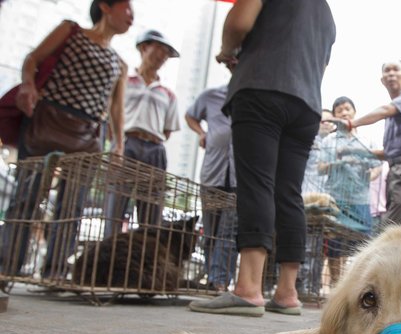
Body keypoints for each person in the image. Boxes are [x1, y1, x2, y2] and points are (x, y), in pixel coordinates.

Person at [188, 0, 336, 317]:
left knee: (256, 183)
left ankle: (248, 289)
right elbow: (318, 65)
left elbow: (238, 23)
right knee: (289, 192)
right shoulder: (326, 13)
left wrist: (228, 52)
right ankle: (286, 292)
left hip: (261, 88)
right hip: (307, 105)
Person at [0, 0, 132, 278]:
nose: (131, 16)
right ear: (106, 7)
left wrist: (118, 145)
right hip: (48, 119)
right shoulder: (70, 31)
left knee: (72, 205)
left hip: (87, 135)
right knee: (27, 196)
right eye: (127, 7)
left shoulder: (120, 64)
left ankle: (56, 272)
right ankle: (7, 266)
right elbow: (33, 59)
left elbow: (117, 109)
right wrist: (27, 85)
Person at [335, 60, 401, 227]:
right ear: (382, 80)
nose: (391, 73)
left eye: (396, 70)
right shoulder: (389, 120)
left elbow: (385, 110)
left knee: (395, 227)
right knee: (394, 227)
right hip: (395, 171)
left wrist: (352, 123)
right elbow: (387, 153)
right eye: (387, 70)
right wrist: (352, 151)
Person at [104, 29, 180, 235]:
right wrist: (117, 144)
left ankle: (144, 257)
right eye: (159, 50)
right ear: (144, 48)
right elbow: (111, 114)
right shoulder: (124, 82)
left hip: (155, 148)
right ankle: (109, 257)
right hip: (127, 143)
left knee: (152, 212)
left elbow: (167, 130)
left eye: (166, 53)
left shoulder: (168, 93)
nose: (162, 56)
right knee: (115, 205)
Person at [318, 96, 380, 285]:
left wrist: (367, 176)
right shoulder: (329, 141)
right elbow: (320, 168)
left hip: (360, 200)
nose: (344, 113)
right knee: (334, 247)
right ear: (335, 116)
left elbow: (377, 167)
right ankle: (337, 284)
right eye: (339, 111)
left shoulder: (366, 141)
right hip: (335, 200)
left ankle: (356, 285)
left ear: (354, 112)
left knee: (362, 245)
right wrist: (338, 162)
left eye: (347, 109)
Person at [185, 84, 238, 292]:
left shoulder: (251, 95)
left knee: (228, 233)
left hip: (237, 178)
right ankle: (211, 277)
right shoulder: (211, 95)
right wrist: (201, 132)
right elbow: (190, 116)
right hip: (212, 174)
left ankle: (220, 282)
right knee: (211, 232)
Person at [297, 108, 335, 298]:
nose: (326, 124)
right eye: (323, 121)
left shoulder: (333, 146)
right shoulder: (307, 140)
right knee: (302, 246)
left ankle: (311, 288)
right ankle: (300, 287)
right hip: (303, 200)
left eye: (330, 121)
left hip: (322, 204)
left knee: (317, 249)